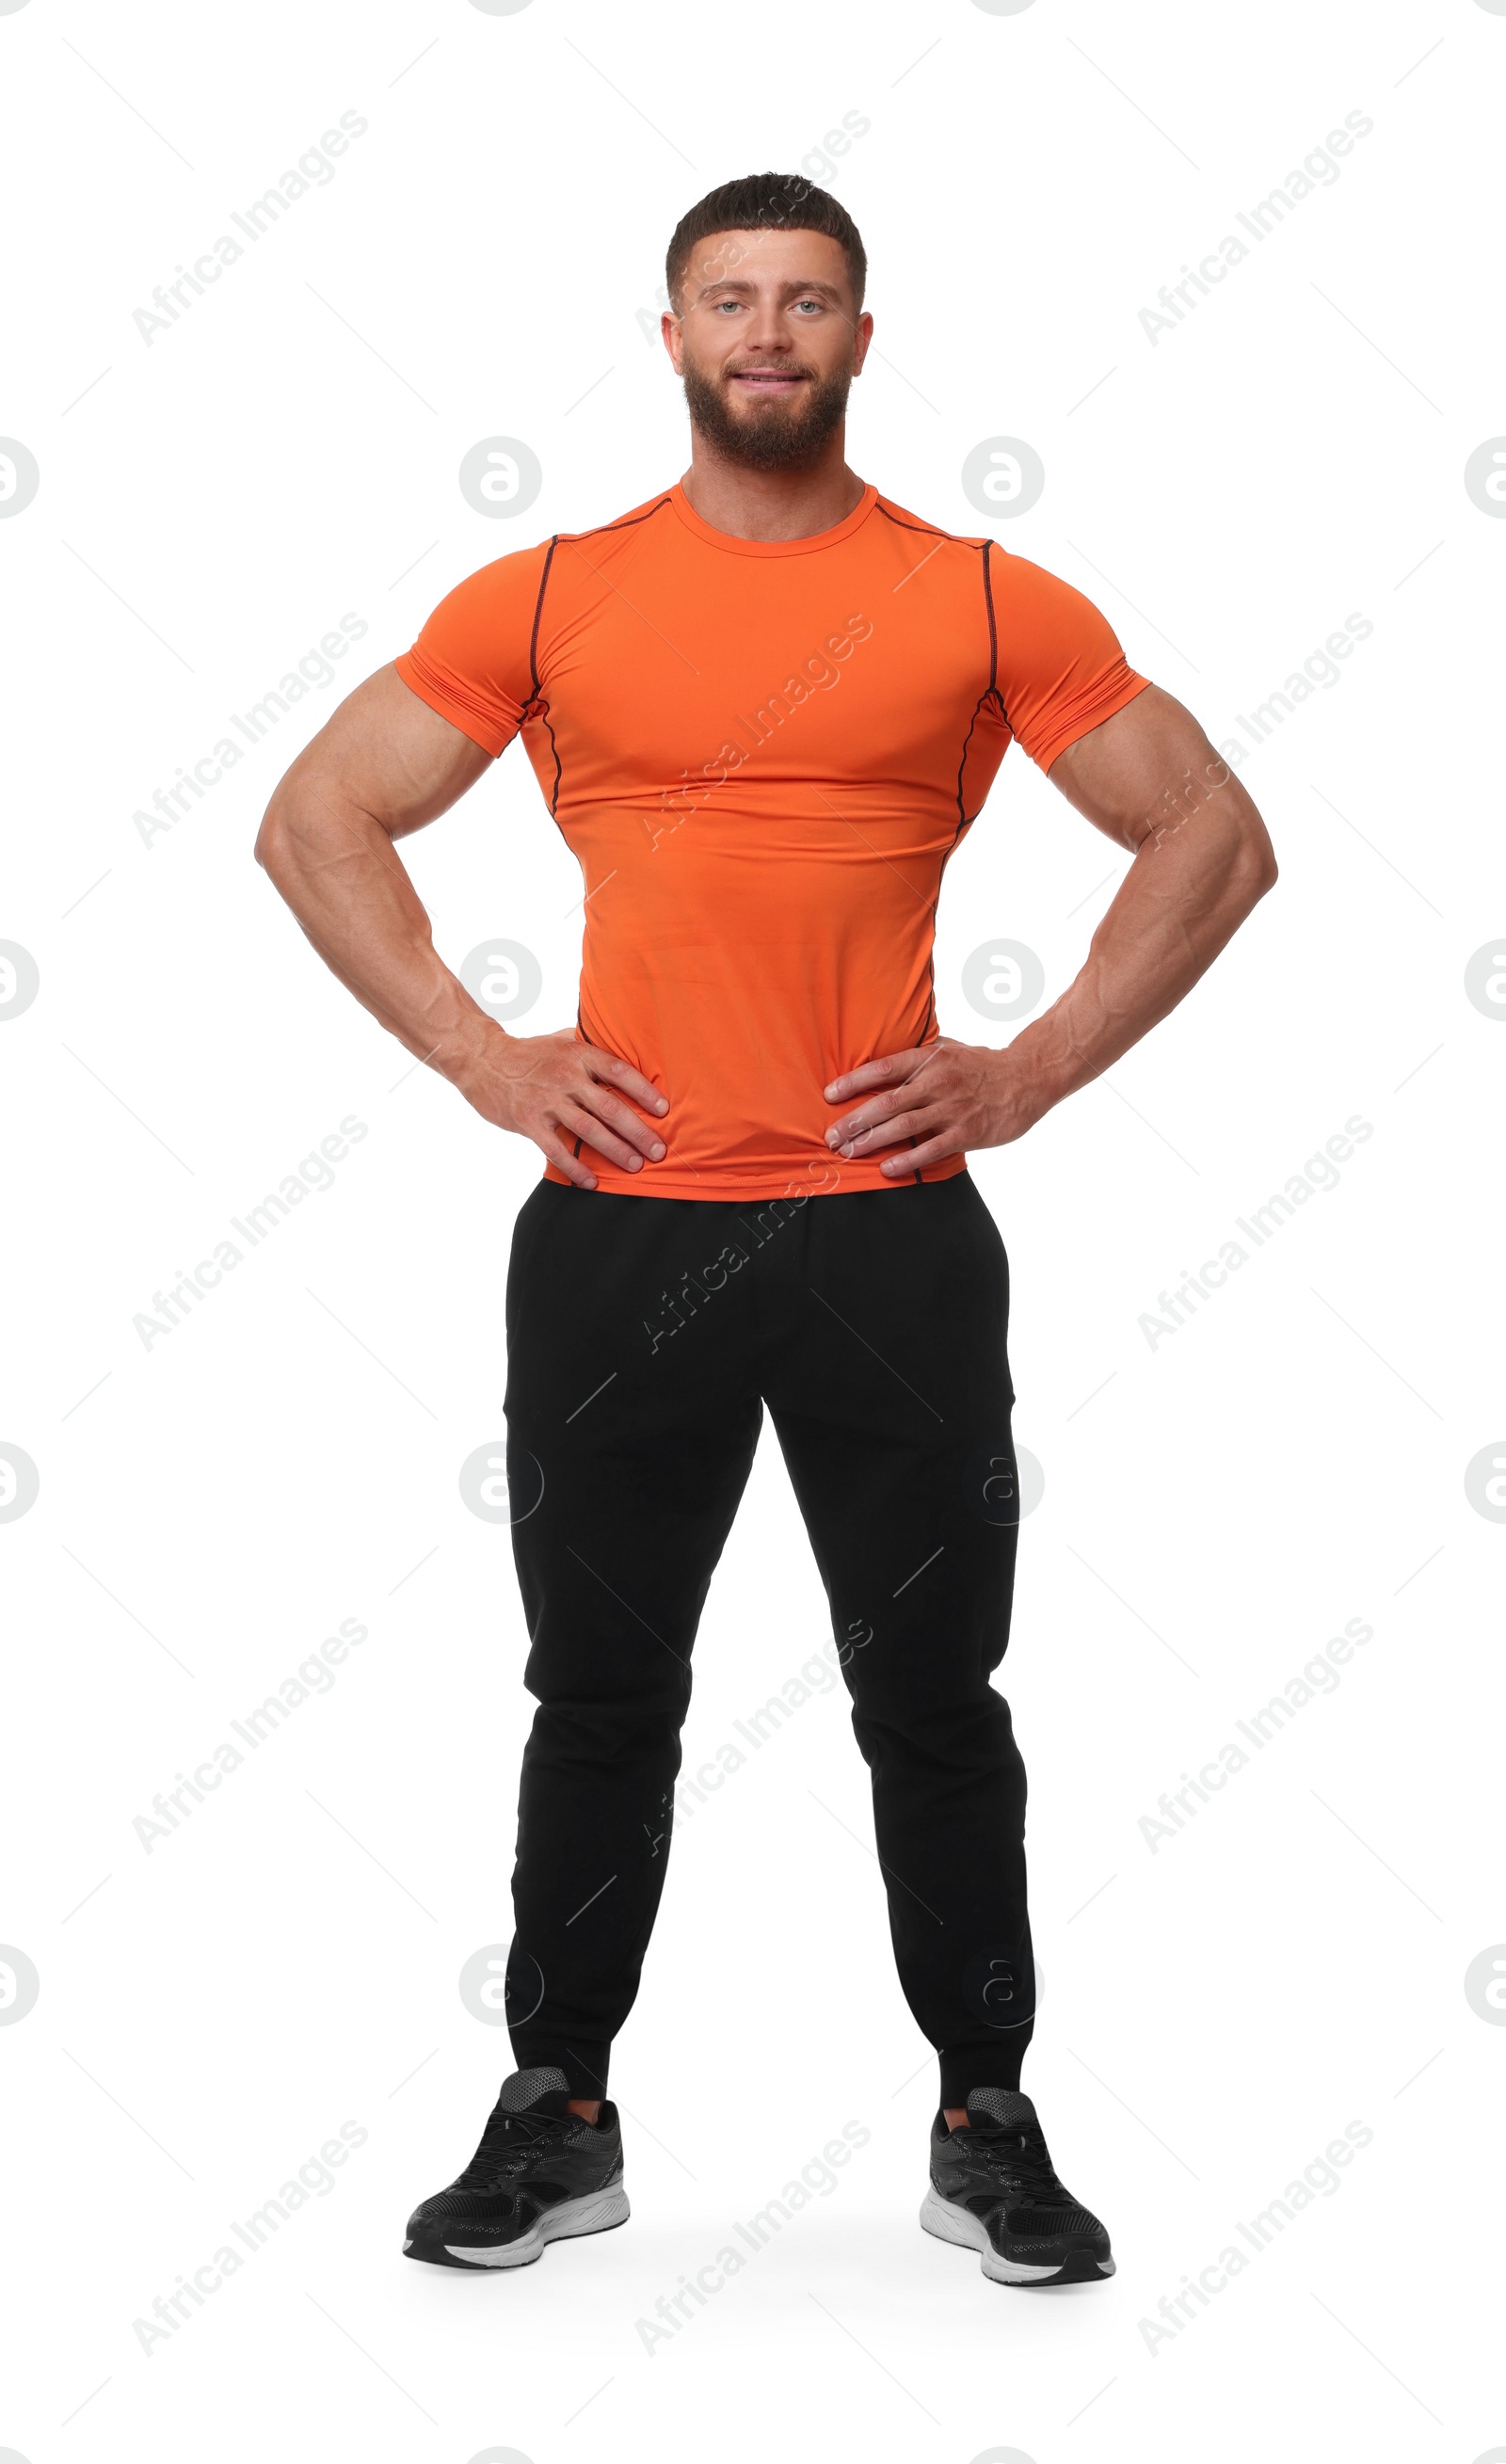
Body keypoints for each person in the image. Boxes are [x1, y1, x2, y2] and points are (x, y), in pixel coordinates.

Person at [255, 171, 1276, 2287]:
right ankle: (558, 2108)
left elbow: (1211, 831)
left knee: (933, 1692)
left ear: (859, 341)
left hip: (886, 1240)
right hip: (617, 1231)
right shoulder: (541, 597)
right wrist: (476, 1053)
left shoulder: (986, 598)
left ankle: (983, 2114)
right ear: (670, 338)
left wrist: (1029, 1067)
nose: (768, 330)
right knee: (598, 1690)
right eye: (730, 299)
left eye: (806, 301)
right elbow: (315, 815)